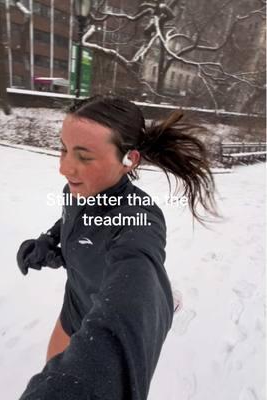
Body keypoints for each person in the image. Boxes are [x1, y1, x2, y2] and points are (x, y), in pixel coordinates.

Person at [17, 94, 220, 400]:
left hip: (106, 315)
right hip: (73, 306)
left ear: (130, 160)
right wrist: (49, 243)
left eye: (84, 156)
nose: (65, 167)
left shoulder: (138, 217)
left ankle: (165, 297)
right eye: (63, 149)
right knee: (53, 369)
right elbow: (72, 225)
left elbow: (133, 290)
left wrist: (145, 295)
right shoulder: (76, 190)